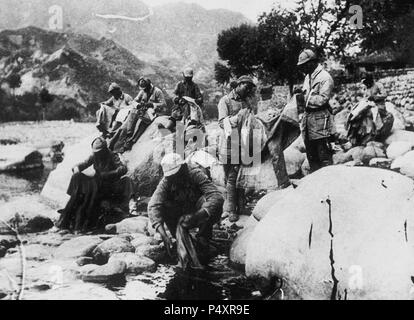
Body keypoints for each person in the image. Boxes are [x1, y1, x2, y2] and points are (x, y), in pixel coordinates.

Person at [148, 153, 224, 269]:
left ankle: (203, 238)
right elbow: (153, 205)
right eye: (171, 176)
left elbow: (216, 196)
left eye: (176, 174)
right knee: (163, 205)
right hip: (181, 212)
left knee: (206, 201)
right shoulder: (166, 181)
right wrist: (164, 235)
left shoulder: (195, 173)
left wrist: (197, 216)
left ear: (183, 167)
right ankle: (180, 241)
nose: (174, 178)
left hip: (197, 212)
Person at [56, 137, 133, 233]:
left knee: (91, 186)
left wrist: (105, 174)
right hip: (98, 183)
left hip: (109, 186)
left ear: (104, 150)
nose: (97, 153)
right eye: (96, 151)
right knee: (77, 176)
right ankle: (73, 203)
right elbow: (85, 163)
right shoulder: (95, 156)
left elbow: (123, 169)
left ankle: (85, 220)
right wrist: (76, 167)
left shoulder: (112, 156)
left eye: (99, 151)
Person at [217, 75, 256, 222]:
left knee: (242, 175)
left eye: (249, 89)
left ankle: (241, 204)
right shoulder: (225, 101)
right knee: (231, 177)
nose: (247, 91)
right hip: (229, 143)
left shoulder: (246, 101)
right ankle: (231, 209)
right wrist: (238, 117)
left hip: (243, 142)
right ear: (239, 85)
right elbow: (222, 123)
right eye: (246, 87)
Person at [296, 49, 335, 173]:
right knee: (311, 155)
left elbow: (323, 99)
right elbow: (305, 94)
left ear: (312, 63)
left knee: (323, 154)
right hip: (309, 120)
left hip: (320, 120)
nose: (302, 68)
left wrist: (305, 98)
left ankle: (328, 186)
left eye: (304, 65)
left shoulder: (325, 77)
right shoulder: (308, 77)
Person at [108, 78, 166, 153]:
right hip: (143, 110)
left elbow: (163, 104)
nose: (144, 90)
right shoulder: (142, 91)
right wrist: (138, 104)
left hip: (153, 112)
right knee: (133, 112)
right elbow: (135, 100)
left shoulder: (157, 91)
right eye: (143, 89)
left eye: (145, 88)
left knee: (143, 122)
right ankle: (129, 134)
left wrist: (152, 104)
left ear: (149, 85)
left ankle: (132, 140)